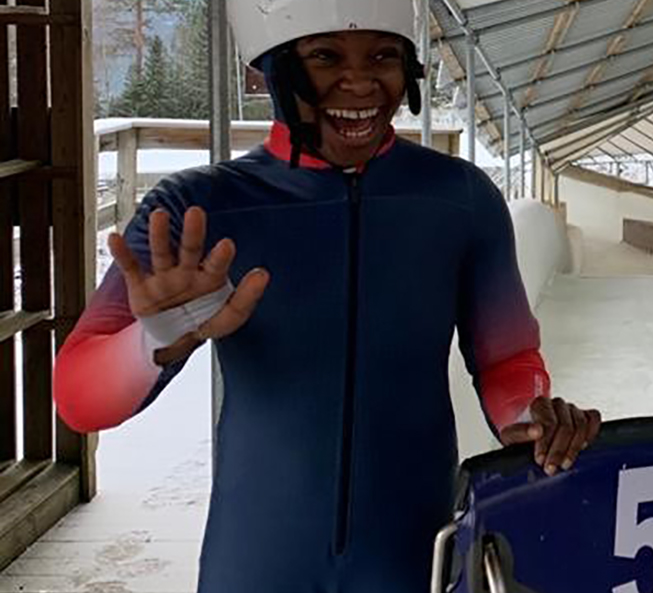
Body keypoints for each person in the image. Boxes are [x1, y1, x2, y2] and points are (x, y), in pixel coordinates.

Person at [52, 1, 601, 590]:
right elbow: (80, 400)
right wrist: (153, 339)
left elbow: (507, 360)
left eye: (384, 55)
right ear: (274, 68)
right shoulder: (198, 211)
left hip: (413, 556)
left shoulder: (461, 200)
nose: (361, 80)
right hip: (258, 561)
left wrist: (530, 417)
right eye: (324, 56)